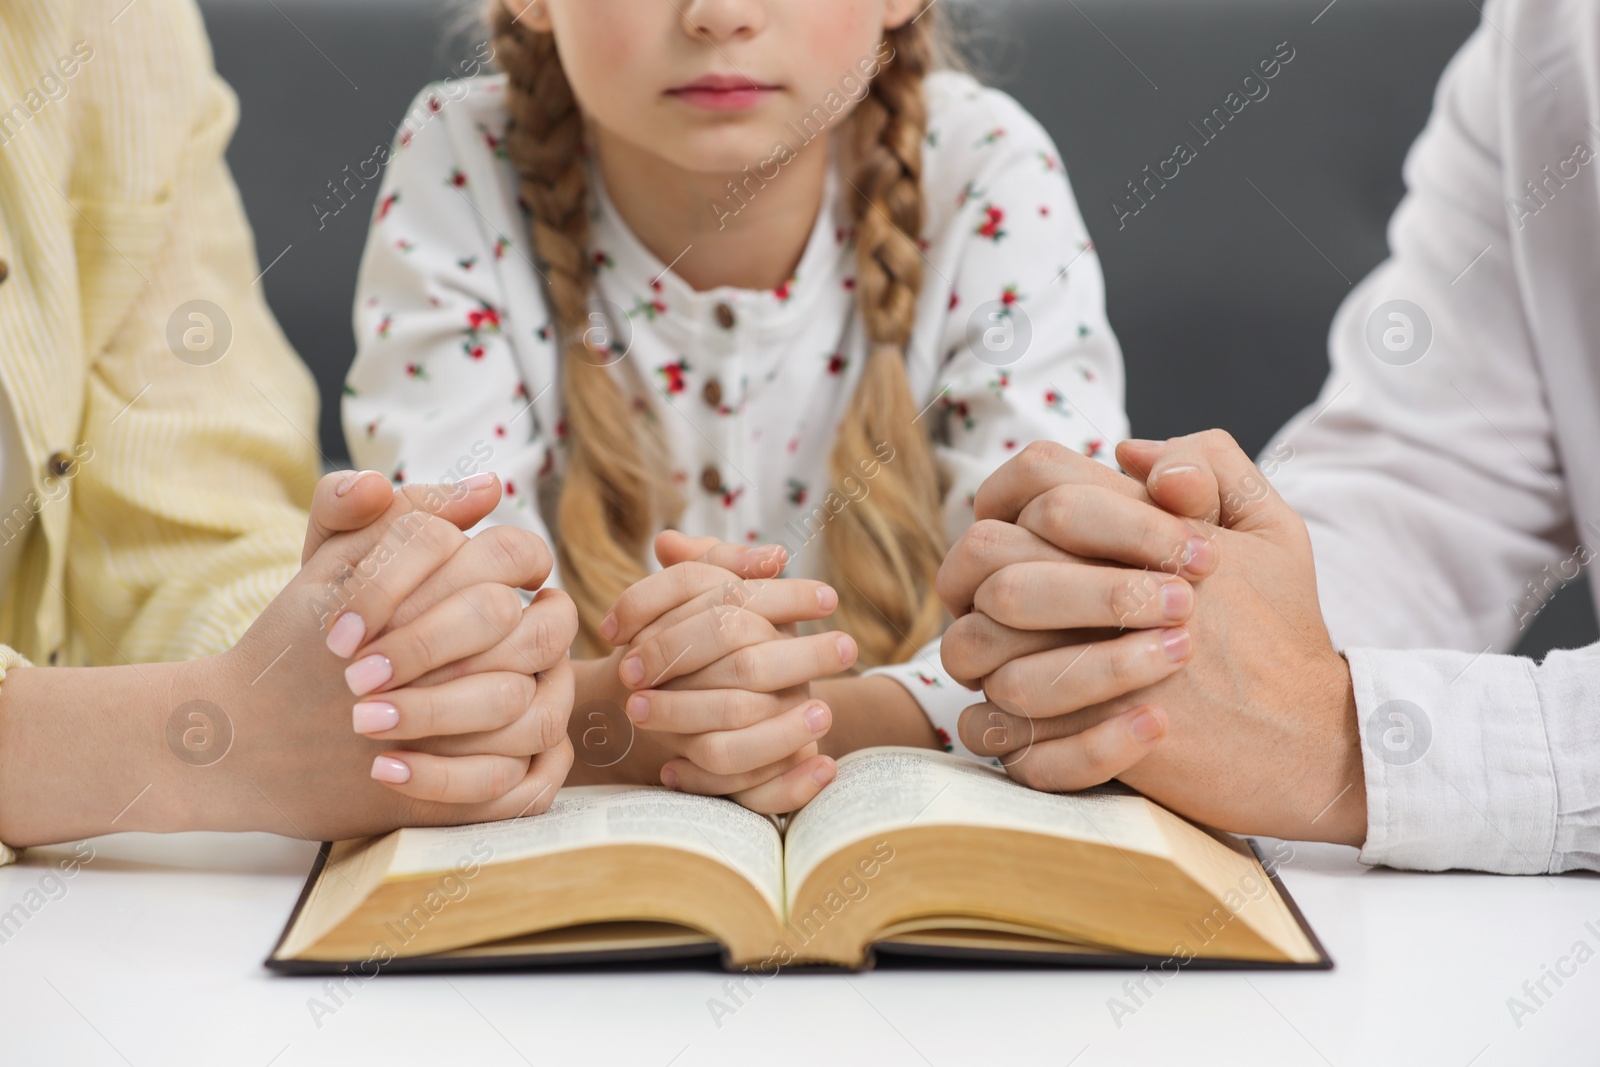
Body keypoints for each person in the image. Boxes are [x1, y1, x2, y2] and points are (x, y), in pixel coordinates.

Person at [343, 0, 1137, 811]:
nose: (721, 16)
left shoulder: (987, 169)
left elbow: (1067, 628)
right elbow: (452, 652)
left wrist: (773, 723)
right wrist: (667, 721)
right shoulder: (460, 161)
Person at [940, 0, 1599, 874]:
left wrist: (1345, 740)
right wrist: (1171, 595)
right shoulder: (1547, 29)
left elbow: (1313, 714)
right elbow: (1429, 478)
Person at [0, 0, 577, 864]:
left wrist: (353, 657)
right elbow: (234, 732)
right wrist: (205, 739)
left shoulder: (113, 25)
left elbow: (185, 527)